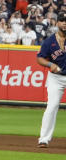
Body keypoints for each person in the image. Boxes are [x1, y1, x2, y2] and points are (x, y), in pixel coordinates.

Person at [37, 13, 66, 148]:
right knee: (51, 107)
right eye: (62, 20)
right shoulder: (49, 41)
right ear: (57, 23)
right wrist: (50, 64)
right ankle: (44, 139)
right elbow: (40, 58)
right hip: (56, 78)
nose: (64, 23)